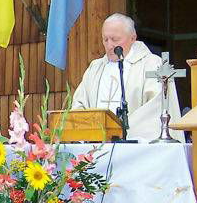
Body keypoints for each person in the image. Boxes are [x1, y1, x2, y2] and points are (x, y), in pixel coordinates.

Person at [71, 13, 184, 142]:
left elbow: (156, 108)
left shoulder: (151, 64)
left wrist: (119, 130)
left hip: (135, 145)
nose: (109, 45)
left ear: (133, 38)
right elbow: (79, 104)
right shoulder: (95, 68)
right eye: (105, 39)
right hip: (96, 144)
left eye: (115, 39)